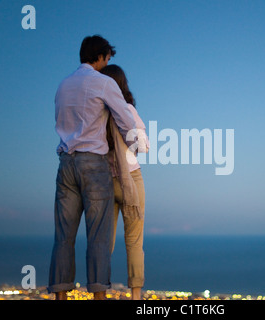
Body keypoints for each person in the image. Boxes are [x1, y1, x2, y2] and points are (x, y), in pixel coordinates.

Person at [48, 35, 138, 300]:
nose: (107, 63)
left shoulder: (63, 85)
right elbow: (126, 119)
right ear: (99, 57)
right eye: (107, 58)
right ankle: (99, 297)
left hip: (65, 163)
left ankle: (60, 297)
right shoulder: (104, 82)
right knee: (98, 237)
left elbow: (60, 120)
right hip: (93, 165)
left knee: (63, 236)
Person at [100, 64, 149, 300]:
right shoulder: (128, 109)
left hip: (105, 181)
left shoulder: (97, 112)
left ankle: (99, 291)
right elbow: (144, 146)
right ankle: (136, 296)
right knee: (134, 241)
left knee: (103, 243)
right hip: (132, 178)